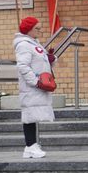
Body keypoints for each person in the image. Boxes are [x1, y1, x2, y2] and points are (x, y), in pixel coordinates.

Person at [13, 17, 56, 159]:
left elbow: (38, 61)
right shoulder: (24, 45)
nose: (40, 30)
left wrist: (50, 59)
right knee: (29, 116)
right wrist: (36, 81)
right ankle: (30, 145)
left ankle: (32, 145)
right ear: (29, 29)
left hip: (37, 86)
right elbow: (23, 66)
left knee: (33, 115)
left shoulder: (33, 43)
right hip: (31, 86)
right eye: (37, 28)